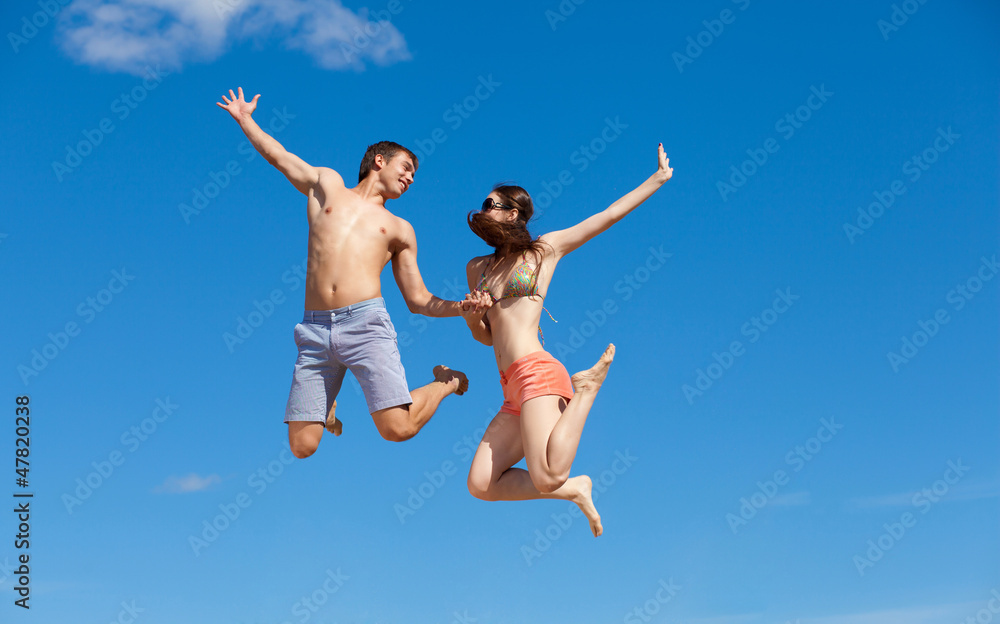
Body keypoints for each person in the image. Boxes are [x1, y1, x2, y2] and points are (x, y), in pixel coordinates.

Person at [217, 87, 484, 459]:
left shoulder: (399, 229)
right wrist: (246, 120)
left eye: (413, 175)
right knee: (302, 446)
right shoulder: (327, 186)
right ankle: (329, 403)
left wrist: (462, 307)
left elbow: (419, 300)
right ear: (379, 161)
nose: (410, 178)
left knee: (399, 428)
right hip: (314, 329)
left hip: (365, 325)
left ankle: (446, 382)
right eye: (406, 168)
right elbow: (279, 157)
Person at [461, 144, 673, 536]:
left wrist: (657, 180)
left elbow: (606, 216)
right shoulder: (478, 268)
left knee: (547, 475)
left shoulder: (544, 250)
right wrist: (472, 317)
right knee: (481, 484)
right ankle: (576, 489)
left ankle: (586, 388)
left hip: (538, 372)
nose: (484, 207)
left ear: (512, 213)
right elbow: (486, 338)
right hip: (510, 386)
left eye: (492, 203)